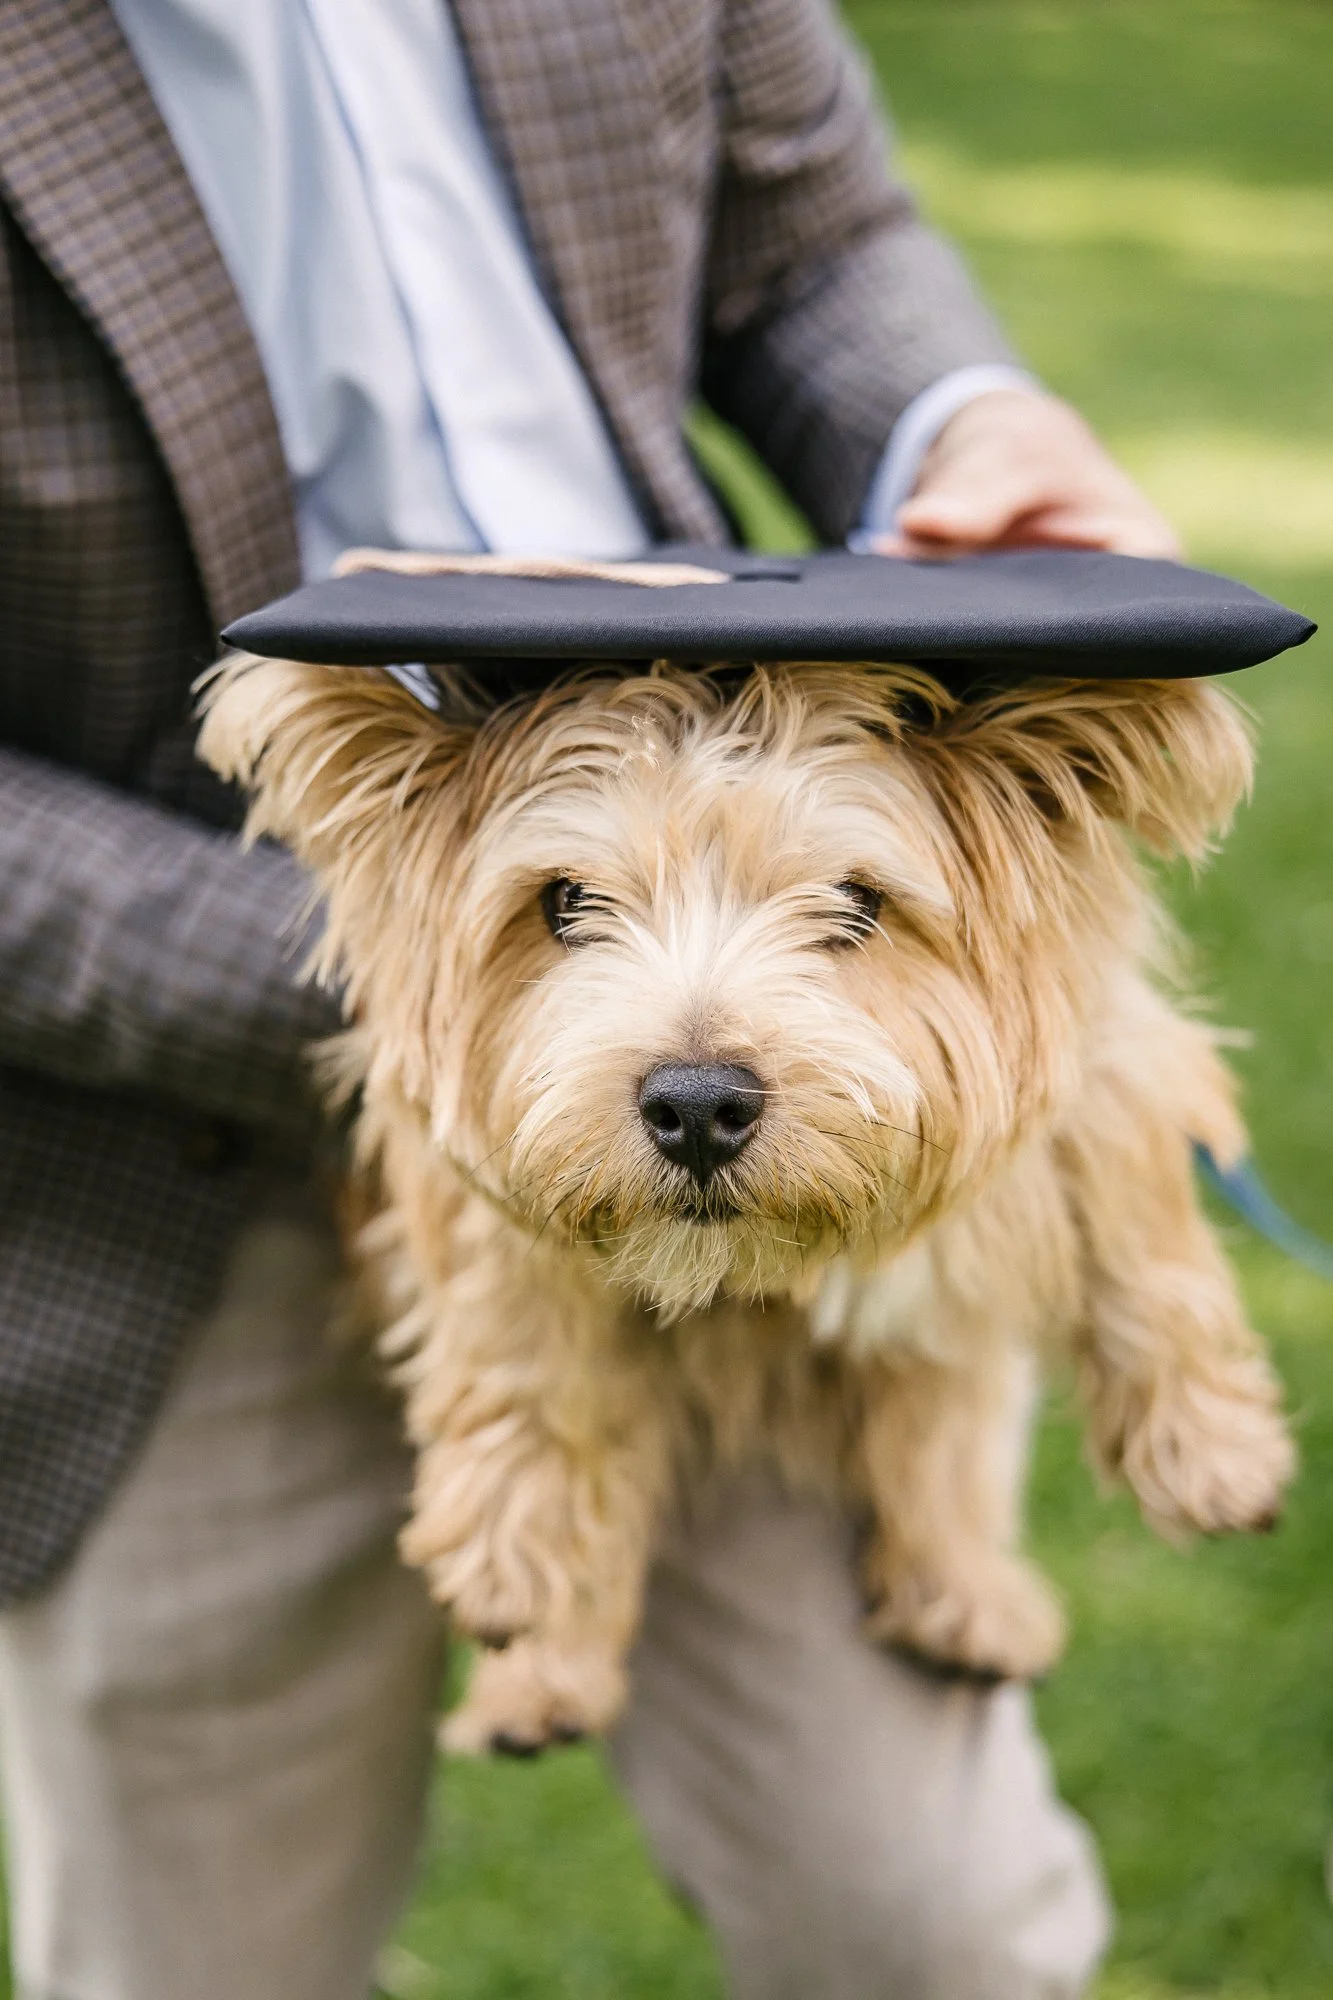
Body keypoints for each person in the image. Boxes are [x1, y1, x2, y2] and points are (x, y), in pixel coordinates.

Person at [0, 3, 1180, 1997]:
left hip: (717, 1014)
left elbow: (812, 246)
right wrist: (430, 994)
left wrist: (960, 418)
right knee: (191, 1954)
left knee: (925, 1925)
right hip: (146, 1133)